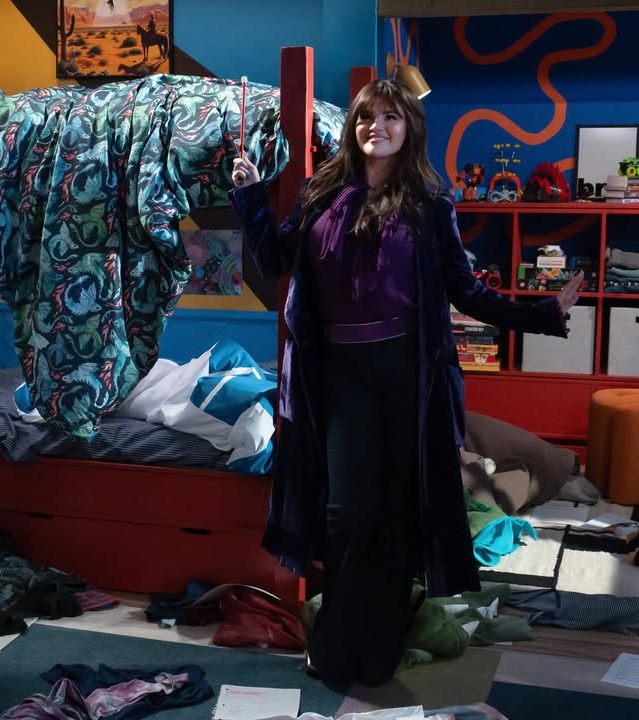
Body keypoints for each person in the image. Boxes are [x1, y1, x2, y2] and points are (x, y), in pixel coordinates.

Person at [229, 78, 583, 686]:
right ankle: (336, 642)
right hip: (336, 375)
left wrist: (542, 312)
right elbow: (275, 261)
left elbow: (466, 292)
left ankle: (381, 644)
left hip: (403, 373)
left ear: (409, 128)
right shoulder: (320, 193)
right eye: (367, 117)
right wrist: (251, 199)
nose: (378, 126)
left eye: (391, 117)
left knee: (394, 513)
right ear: (355, 128)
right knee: (345, 513)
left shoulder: (429, 205)